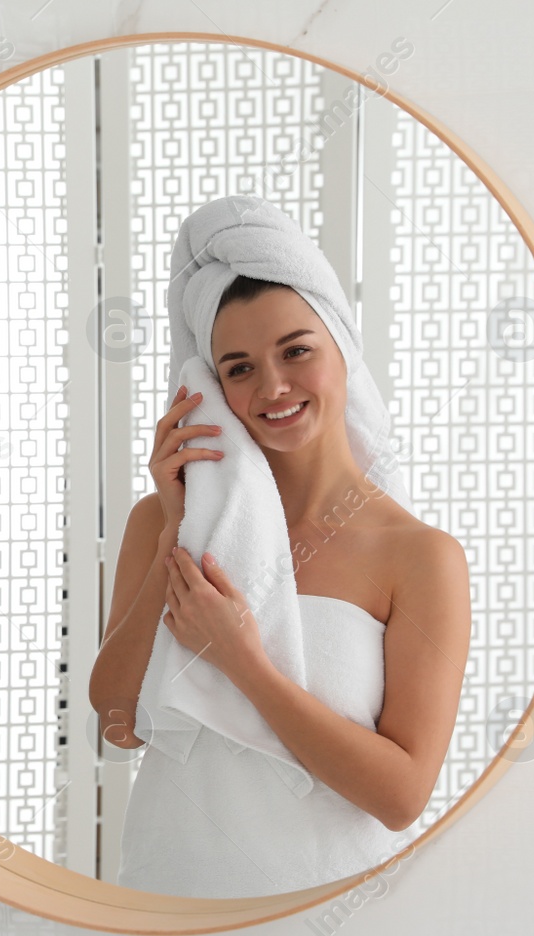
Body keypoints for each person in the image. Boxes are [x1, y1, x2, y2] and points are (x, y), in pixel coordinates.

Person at [90, 203, 470, 898]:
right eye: (238, 368)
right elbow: (118, 723)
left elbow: (401, 795)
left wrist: (242, 659)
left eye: (296, 351)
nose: (272, 388)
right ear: (209, 388)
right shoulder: (161, 521)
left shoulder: (419, 557)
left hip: (332, 924)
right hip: (171, 896)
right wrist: (179, 524)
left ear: (343, 351)